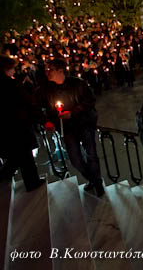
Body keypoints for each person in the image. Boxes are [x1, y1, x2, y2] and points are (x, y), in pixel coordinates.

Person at [39, 58, 103, 197]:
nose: (47, 72)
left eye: (50, 69)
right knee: (75, 159)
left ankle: (97, 183)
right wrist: (46, 121)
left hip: (84, 124)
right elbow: (38, 107)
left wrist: (73, 113)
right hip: (67, 129)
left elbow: (90, 101)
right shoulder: (46, 89)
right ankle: (94, 179)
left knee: (91, 155)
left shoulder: (78, 84)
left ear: (60, 71)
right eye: (46, 69)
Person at [0, 55, 44, 191]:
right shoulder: (11, 85)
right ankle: (32, 182)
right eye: (12, 69)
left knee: (18, 155)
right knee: (24, 155)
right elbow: (27, 102)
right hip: (18, 125)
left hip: (6, 127)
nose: (14, 71)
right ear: (6, 69)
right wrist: (41, 119)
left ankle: (30, 181)